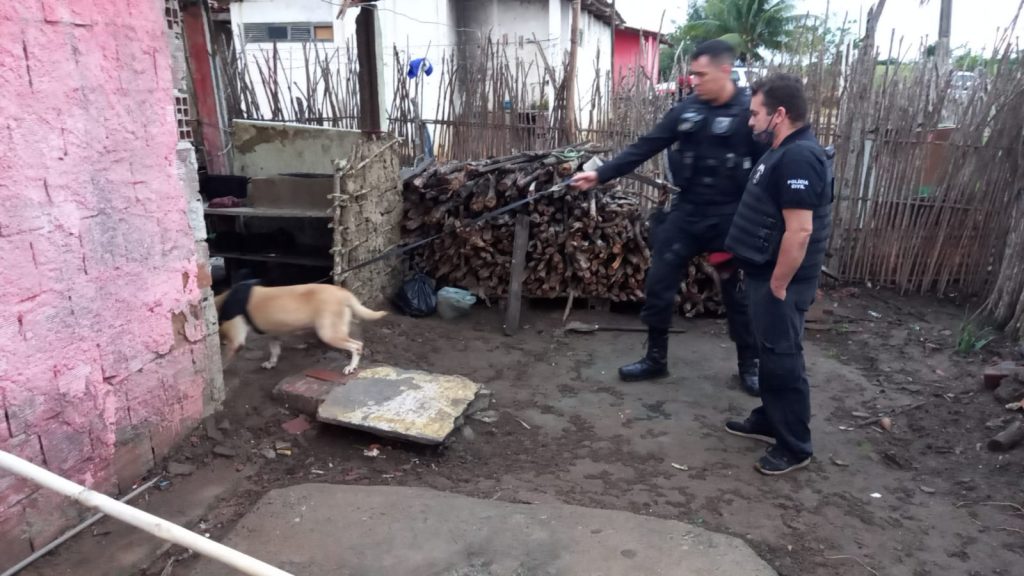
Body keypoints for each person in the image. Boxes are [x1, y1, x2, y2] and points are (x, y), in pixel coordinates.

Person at [570, 39, 762, 395]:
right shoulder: (686, 111)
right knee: (659, 282)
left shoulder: (749, 113)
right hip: (687, 213)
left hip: (729, 218)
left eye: (701, 75)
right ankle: (655, 358)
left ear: (724, 71)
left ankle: (749, 365)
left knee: (736, 292)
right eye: (692, 75)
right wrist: (600, 174)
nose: (694, 81)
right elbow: (646, 146)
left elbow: (769, 165)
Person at [723, 73, 833, 475]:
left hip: (782, 281)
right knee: (770, 352)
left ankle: (795, 445)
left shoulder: (799, 157)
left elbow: (800, 231)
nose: (750, 121)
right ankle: (771, 419)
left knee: (784, 358)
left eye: (756, 114)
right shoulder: (782, 150)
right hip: (766, 274)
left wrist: (778, 283)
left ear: (780, 114)